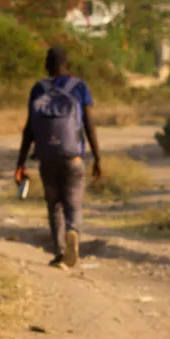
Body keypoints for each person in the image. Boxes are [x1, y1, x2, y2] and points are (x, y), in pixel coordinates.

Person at [15, 46, 102, 268]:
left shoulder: (38, 89)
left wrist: (21, 162)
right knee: (73, 203)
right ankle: (73, 231)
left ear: (47, 65)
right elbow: (89, 125)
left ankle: (59, 252)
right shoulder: (80, 87)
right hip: (73, 157)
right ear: (67, 64)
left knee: (54, 205)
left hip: (47, 158)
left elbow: (29, 129)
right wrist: (97, 157)